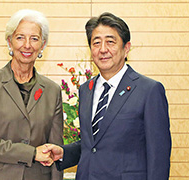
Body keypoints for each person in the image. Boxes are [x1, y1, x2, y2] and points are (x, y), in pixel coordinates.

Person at [43, 12, 171, 180]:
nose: (103, 49)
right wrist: (64, 153)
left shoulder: (149, 90)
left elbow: (158, 156)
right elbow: (94, 145)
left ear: (126, 48)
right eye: (96, 43)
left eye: (110, 42)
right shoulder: (86, 90)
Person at [0, 9, 63, 180]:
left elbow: (54, 151)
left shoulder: (52, 91)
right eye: (20, 37)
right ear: (9, 42)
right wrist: (32, 153)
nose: (27, 45)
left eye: (34, 38)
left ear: (42, 45)